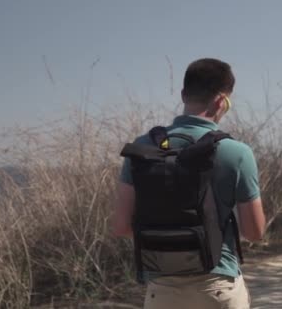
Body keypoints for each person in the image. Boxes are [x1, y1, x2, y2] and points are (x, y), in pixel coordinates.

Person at [113, 57, 266, 309]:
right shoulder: (236, 152)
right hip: (217, 287)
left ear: (183, 95)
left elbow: (121, 226)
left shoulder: (141, 148)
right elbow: (254, 232)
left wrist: (168, 239)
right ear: (221, 101)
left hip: (162, 289)